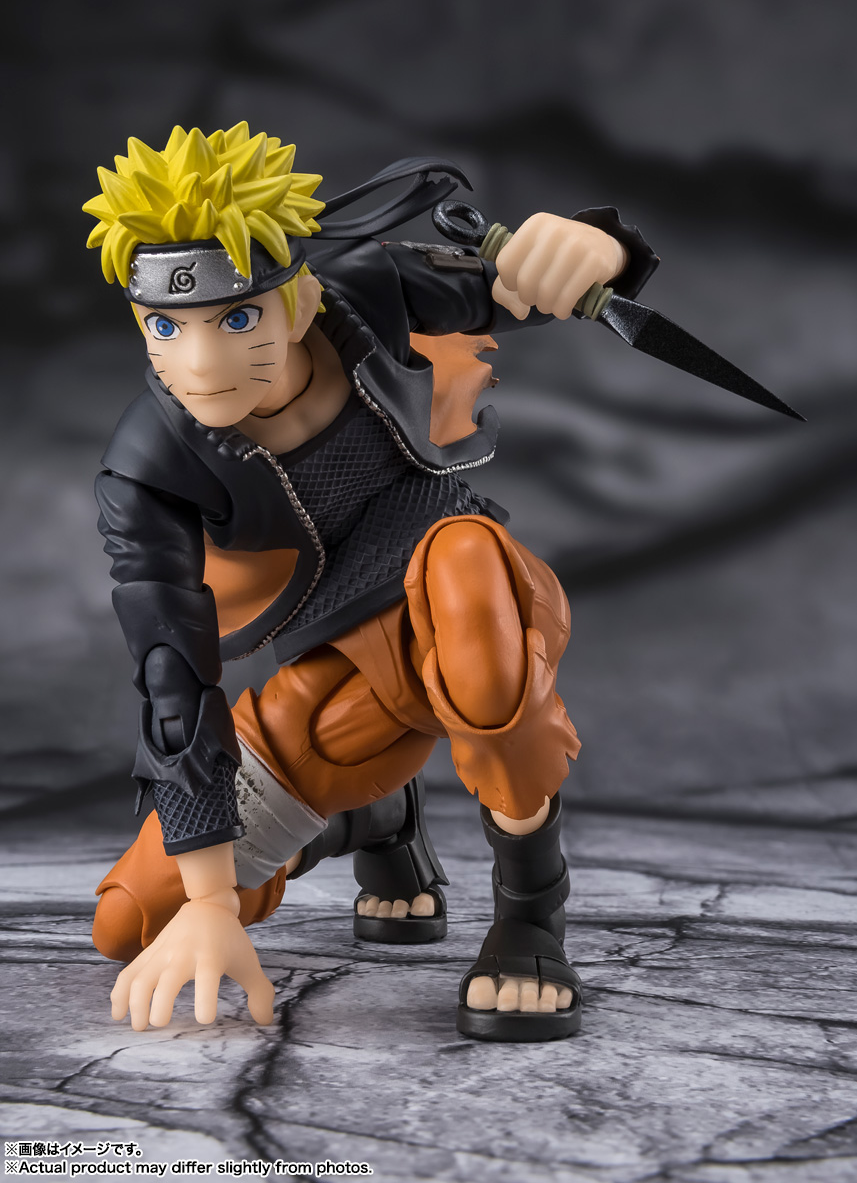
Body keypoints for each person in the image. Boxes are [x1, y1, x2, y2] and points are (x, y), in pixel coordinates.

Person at [84, 123, 657, 1041]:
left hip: (470, 581)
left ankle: (528, 918)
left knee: (472, 611)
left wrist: (596, 248)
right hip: (344, 661)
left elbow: (521, 286)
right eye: (165, 325)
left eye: (238, 318)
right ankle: (375, 820)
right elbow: (172, 680)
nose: (201, 363)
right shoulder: (147, 468)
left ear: (300, 297)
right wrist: (211, 902)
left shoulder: (367, 293)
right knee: (129, 924)